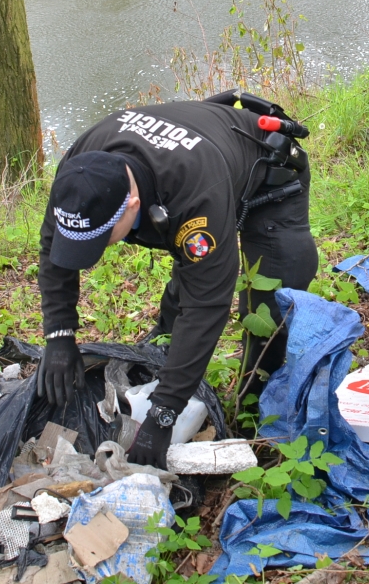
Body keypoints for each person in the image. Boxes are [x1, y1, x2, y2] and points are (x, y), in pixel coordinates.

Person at [35, 92, 318, 468]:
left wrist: (164, 414)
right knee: (189, 278)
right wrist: (59, 335)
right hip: (196, 160)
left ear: (132, 205)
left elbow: (206, 305)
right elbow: (54, 249)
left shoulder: (195, 196)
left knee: (270, 305)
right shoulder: (80, 170)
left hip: (269, 172)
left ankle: (257, 413)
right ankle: (161, 355)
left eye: (103, 238)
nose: (96, 251)